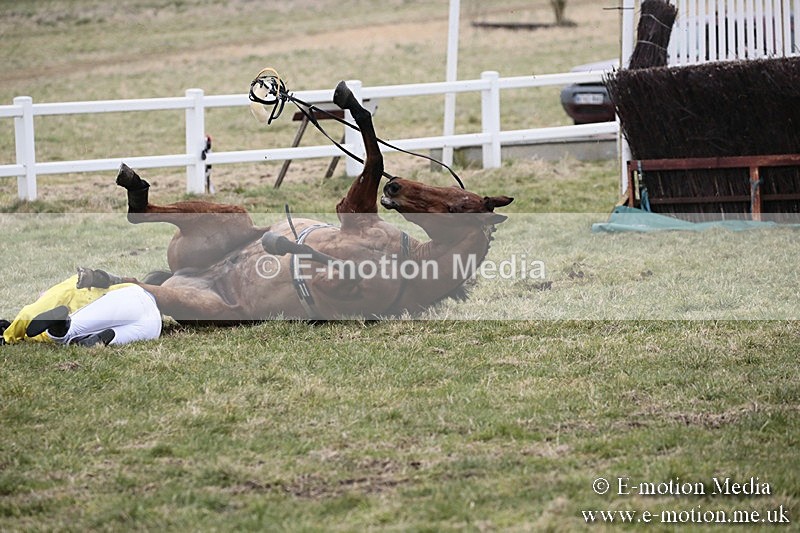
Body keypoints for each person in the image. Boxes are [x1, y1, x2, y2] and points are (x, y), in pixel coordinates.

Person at [1, 269, 162, 347]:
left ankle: (64, 329)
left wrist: (9, 335)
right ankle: (96, 341)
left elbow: (28, 314)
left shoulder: (70, 288)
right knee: (124, 334)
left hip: (129, 297)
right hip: (154, 325)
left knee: (72, 329)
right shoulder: (113, 285)